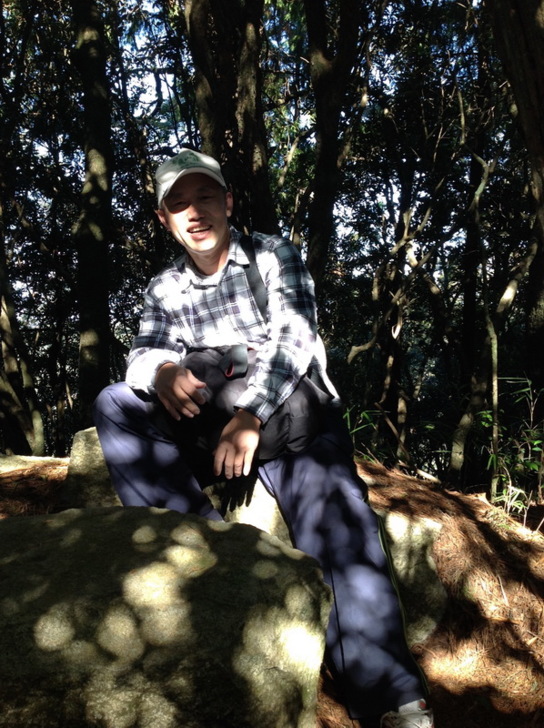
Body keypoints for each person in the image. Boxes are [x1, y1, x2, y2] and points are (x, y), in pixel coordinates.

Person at [93, 148, 434, 728]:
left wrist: (250, 415)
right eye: (179, 204)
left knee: (339, 522)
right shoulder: (165, 287)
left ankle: (391, 698)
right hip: (211, 421)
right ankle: (207, 546)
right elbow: (143, 353)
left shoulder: (274, 255)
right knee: (114, 404)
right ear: (163, 219)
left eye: (205, 196)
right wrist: (163, 370)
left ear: (227, 201)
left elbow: (294, 339)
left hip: (292, 421)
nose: (195, 212)